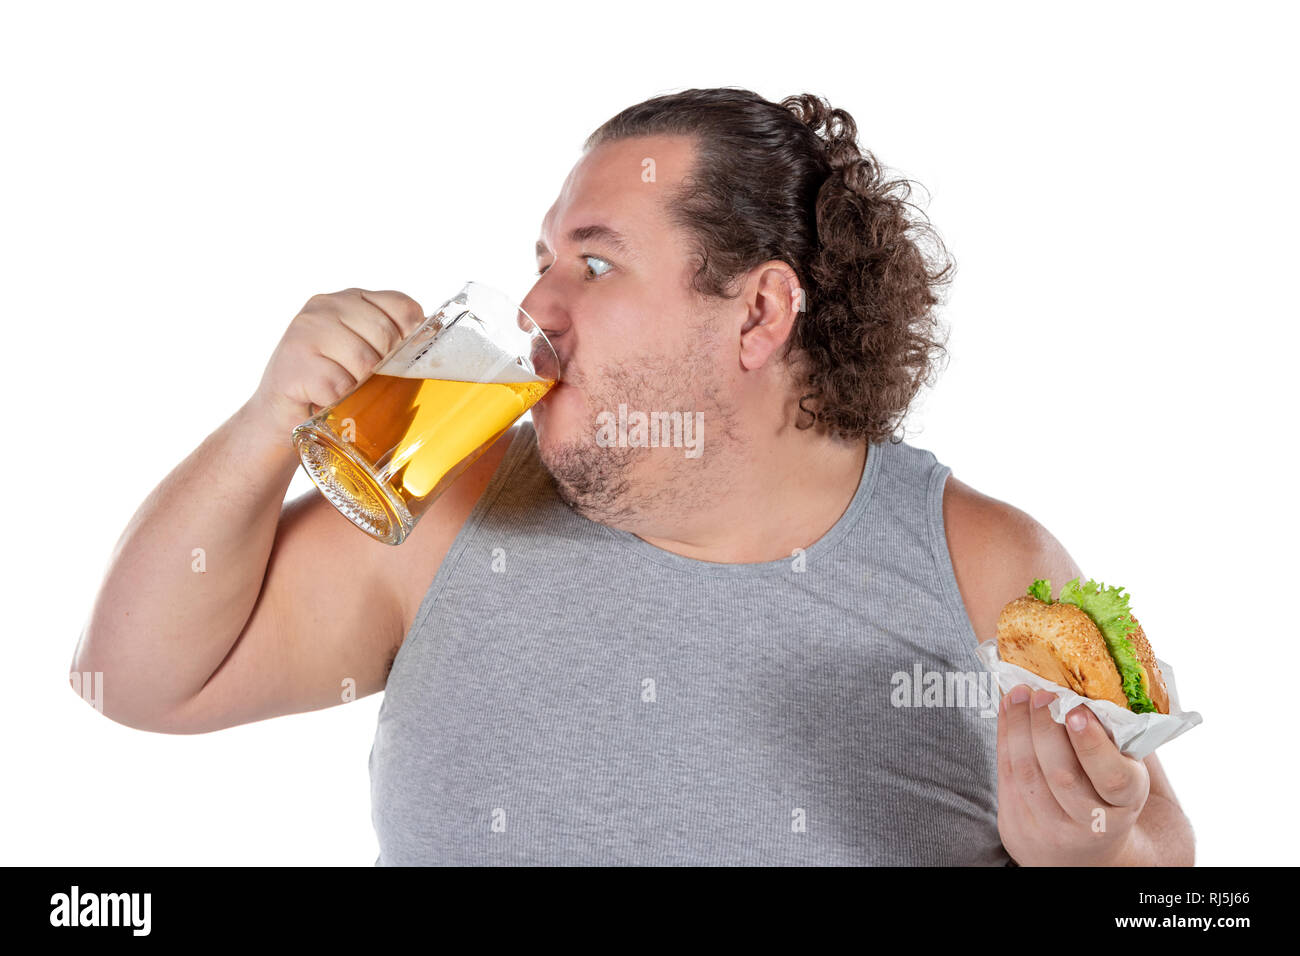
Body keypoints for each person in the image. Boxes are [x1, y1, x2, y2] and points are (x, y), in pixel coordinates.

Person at [72, 88, 1194, 866]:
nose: (531, 308)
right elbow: (129, 679)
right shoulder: (452, 506)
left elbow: (1168, 882)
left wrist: (1091, 852)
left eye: (593, 261)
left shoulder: (983, 563)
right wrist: (264, 427)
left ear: (757, 311)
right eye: (542, 259)